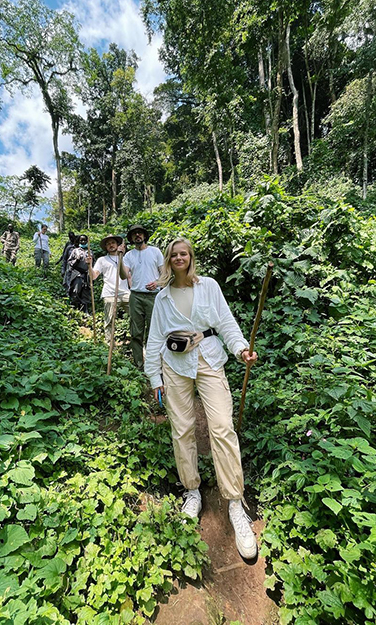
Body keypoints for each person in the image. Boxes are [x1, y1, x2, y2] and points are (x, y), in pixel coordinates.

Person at [144, 238, 259, 560]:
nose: (179, 258)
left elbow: (225, 322)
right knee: (182, 429)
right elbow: (154, 339)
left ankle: (235, 502)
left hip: (209, 360)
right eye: (174, 254)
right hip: (174, 364)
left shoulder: (208, 286)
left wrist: (239, 349)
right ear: (168, 260)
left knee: (222, 427)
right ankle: (191, 490)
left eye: (184, 253)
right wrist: (154, 377)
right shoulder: (162, 298)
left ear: (190, 258)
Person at [118, 224, 164, 369]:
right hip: (136, 296)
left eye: (140, 233)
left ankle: (154, 363)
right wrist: (120, 257)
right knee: (136, 332)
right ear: (131, 238)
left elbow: (165, 275)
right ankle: (139, 364)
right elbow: (123, 275)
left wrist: (157, 283)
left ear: (144, 236)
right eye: (134, 234)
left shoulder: (155, 252)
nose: (137, 235)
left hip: (154, 296)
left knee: (154, 331)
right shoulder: (128, 255)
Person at [92, 234, 130, 344]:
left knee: (135, 317)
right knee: (109, 320)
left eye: (113, 242)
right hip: (110, 294)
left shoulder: (125, 257)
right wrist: (89, 266)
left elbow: (129, 276)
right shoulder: (102, 260)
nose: (111, 245)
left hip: (126, 293)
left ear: (117, 244)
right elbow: (94, 276)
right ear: (105, 247)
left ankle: (135, 340)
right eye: (108, 244)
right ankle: (110, 344)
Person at [67, 234, 94, 312]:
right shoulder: (75, 251)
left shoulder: (90, 251)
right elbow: (70, 262)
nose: (83, 241)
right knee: (76, 291)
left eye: (84, 240)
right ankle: (74, 309)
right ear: (78, 241)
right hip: (77, 274)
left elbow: (94, 263)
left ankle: (85, 310)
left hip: (87, 274)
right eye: (81, 240)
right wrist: (77, 260)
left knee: (86, 292)